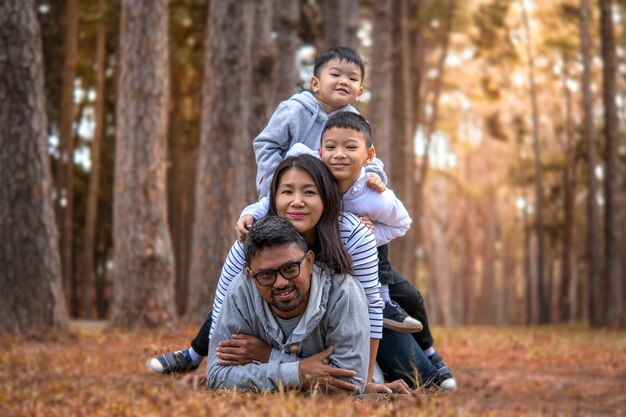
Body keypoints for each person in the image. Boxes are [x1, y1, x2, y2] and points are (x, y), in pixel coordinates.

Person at [151, 155, 433, 393]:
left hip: (359, 324)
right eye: (287, 192)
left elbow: (370, 305)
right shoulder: (252, 242)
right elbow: (223, 305)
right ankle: (189, 356)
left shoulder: (352, 236)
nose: (297, 202)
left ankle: (434, 364)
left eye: (309, 192)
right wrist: (214, 359)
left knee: (419, 374)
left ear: (327, 197)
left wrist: (367, 380)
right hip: (292, 330)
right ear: (273, 199)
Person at [238, 112, 456, 389]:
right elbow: (271, 196)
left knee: (421, 375)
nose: (339, 155)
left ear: (368, 155)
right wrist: (248, 214)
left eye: (350, 147)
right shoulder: (305, 177)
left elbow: (400, 224)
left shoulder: (368, 200)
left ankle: (427, 355)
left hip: (361, 294)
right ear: (320, 151)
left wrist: (373, 232)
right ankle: (194, 353)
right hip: (308, 314)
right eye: (331, 147)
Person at [206, 216, 371, 394]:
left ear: (309, 261)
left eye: (290, 268)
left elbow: (350, 384)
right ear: (250, 276)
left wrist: (267, 356)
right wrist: (296, 373)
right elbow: (217, 374)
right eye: (267, 274)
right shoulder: (240, 291)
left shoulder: (342, 292)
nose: (281, 283)